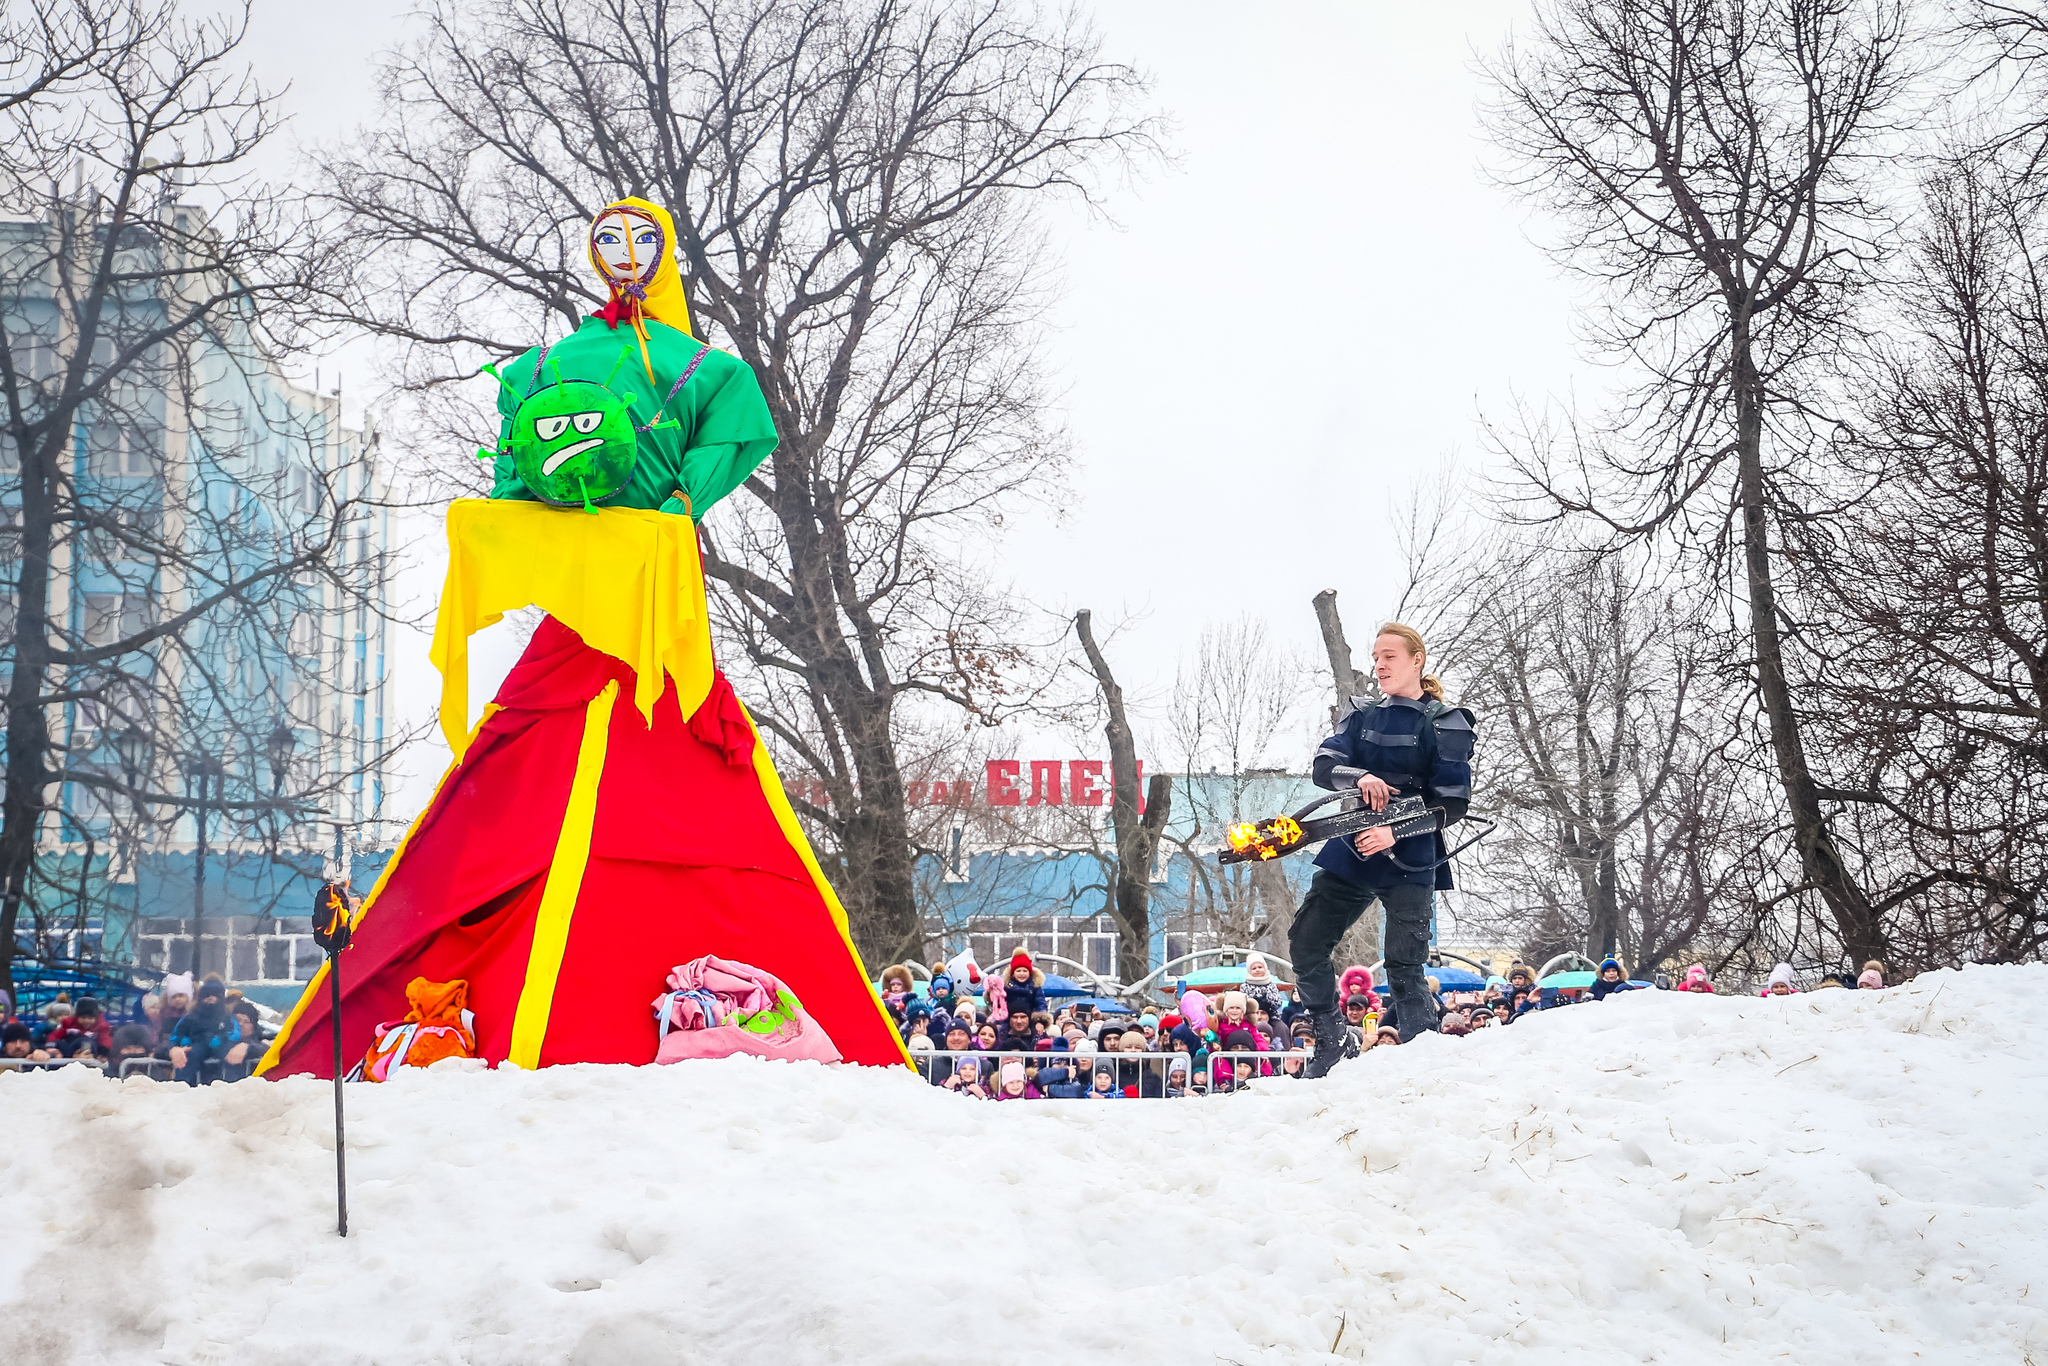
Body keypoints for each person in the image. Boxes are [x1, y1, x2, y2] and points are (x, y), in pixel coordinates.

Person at [1290, 623, 1475, 1076]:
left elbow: (1451, 803)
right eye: (1376, 656)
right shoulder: (1362, 714)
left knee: (1404, 963)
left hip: (1410, 855)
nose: (1380, 665)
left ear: (1417, 660)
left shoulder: (1445, 722)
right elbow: (1324, 765)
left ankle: (1421, 1060)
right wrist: (1360, 777)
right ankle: (1332, 1044)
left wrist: (1396, 833)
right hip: (1353, 848)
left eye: (1389, 655)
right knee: (1305, 942)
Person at [168, 979, 249, 1085]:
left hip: (222, 1045)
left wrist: (225, 1041)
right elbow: (176, 1035)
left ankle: (234, 1088)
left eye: (215, 995)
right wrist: (177, 1046)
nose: (211, 999)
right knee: (187, 1059)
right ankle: (182, 1088)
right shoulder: (191, 1017)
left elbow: (234, 1033)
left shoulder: (227, 1017)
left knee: (232, 1059)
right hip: (196, 1046)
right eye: (207, 995)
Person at [45, 996, 113, 1058]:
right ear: (77, 1017)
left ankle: (86, 1055)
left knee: (88, 1042)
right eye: (83, 1017)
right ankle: (70, 1057)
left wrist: (104, 1051)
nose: (86, 1021)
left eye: (90, 1018)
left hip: (90, 1049)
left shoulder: (100, 1027)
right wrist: (50, 1045)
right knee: (59, 1043)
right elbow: (56, 1035)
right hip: (71, 1048)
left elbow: (104, 1038)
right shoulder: (70, 1024)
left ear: (96, 1018)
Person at [1242, 953, 1287, 1019]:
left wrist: (1268, 998)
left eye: (1260, 967)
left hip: (1271, 1015)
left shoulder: (1271, 985)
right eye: (1254, 968)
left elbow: (1277, 1003)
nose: (1257, 970)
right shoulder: (1245, 986)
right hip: (1250, 1016)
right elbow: (1243, 1004)